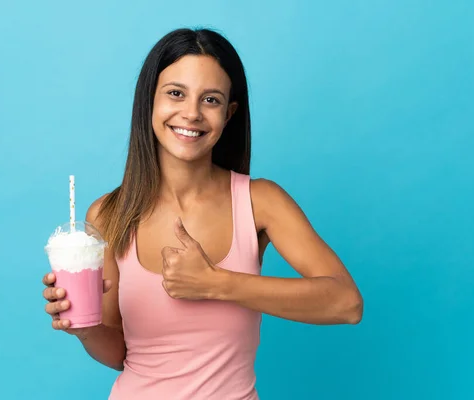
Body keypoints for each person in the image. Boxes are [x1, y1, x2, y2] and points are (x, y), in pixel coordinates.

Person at [42, 27, 363, 399]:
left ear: (229, 114)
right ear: (150, 101)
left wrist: (216, 283)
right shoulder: (110, 213)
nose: (191, 113)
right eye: (176, 93)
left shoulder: (261, 201)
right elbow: (119, 353)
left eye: (210, 100)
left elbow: (346, 302)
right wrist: (84, 328)